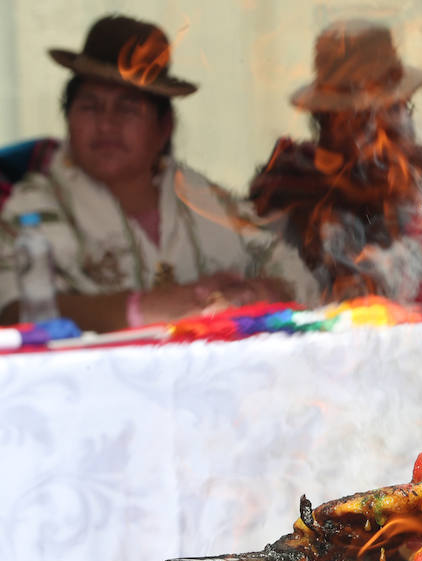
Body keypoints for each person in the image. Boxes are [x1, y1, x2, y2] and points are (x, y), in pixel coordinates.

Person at [0, 15, 315, 332]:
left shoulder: (206, 202)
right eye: (89, 107)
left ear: (163, 127)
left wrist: (261, 292)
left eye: (127, 108)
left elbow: (293, 274)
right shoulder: (33, 209)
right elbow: (12, 311)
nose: (107, 124)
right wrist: (140, 309)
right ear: (68, 118)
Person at [249, 20, 422, 304]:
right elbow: (287, 292)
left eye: (394, 108)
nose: (382, 129)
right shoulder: (292, 191)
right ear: (328, 122)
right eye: (361, 116)